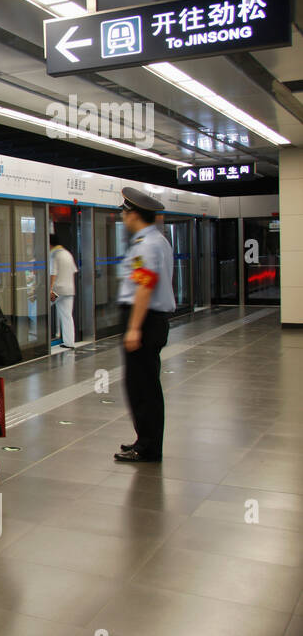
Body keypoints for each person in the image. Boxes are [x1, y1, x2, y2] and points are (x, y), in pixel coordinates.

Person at [113, 188, 175, 464]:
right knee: (143, 384)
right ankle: (145, 440)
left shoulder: (147, 245)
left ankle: (148, 447)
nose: (123, 217)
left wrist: (135, 327)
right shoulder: (155, 241)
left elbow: (144, 287)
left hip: (146, 320)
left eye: (124, 212)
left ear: (134, 214)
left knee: (143, 387)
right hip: (150, 320)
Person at [48, 234, 79, 350]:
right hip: (69, 289)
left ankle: (40, 341)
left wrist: (50, 289)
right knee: (67, 316)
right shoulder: (68, 254)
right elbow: (74, 270)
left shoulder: (54, 255)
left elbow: (53, 273)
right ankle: (69, 342)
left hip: (56, 291)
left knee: (42, 310)